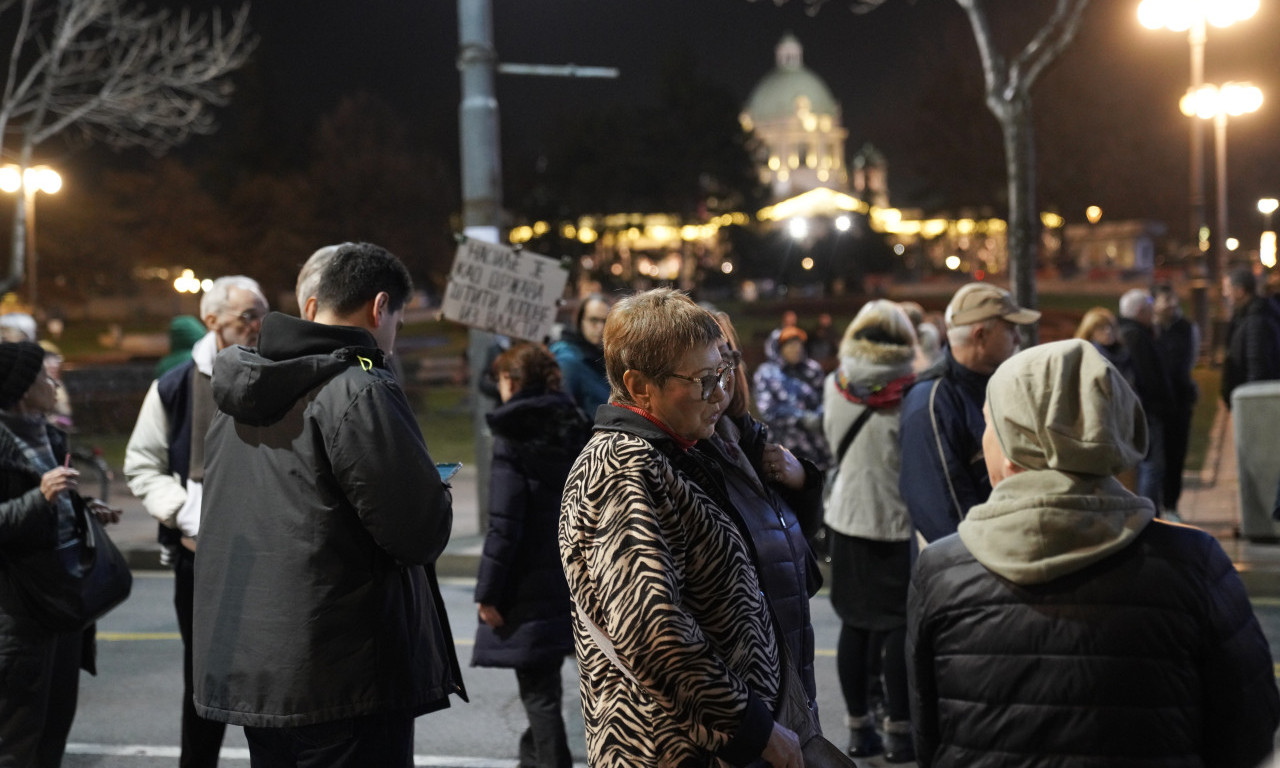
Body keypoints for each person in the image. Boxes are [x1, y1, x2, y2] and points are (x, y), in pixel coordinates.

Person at [907, 339, 1280, 767]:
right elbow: (1249, 727)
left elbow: (928, 736)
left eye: (990, 425)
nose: (983, 438)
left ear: (1016, 452)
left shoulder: (941, 571)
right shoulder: (1195, 564)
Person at [192, 243, 466, 766]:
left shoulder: (235, 392)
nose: (393, 339)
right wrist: (435, 492)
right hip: (345, 674)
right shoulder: (358, 389)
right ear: (379, 307)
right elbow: (417, 531)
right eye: (399, 324)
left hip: (260, 673)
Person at [559, 288, 803, 768]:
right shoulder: (623, 468)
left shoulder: (675, 451)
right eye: (701, 380)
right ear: (640, 385)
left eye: (722, 374)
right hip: (673, 750)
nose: (719, 393)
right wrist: (753, 727)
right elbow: (652, 628)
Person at [123, 275, 268, 768]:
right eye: (248, 316)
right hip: (201, 557)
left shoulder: (278, 370)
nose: (258, 325)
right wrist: (188, 514)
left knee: (270, 680)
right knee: (204, 680)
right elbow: (142, 462)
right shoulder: (177, 384)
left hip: (270, 554)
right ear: (212, 321)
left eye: (263, 313)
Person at [0, 340, 121, 767]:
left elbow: (53, 504)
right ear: (19, 389)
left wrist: (84, 510)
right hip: (20, 617)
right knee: (17, 744)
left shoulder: (48, 434)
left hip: (65, 608)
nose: (54, 381)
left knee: (54, 732)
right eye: (42, 375)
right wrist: (43, 497)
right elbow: (25, 509)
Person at [472, 342, 590, 768]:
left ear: (513, 382)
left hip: (527, 585)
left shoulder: (514, 434)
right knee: (558, 692)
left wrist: (488, 593)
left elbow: (506, 524)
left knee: (540, 695)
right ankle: (532, 759)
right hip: (576, 578)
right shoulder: (577, 423)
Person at [702, 310, 824, 711]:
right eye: (708, 364)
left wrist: (803, 480)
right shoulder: (695, 453)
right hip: (745, 694)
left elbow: (796, 555)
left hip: (791, 664)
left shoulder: (746, 441)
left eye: (729, 359)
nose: (722, 376)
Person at [822, 301, 918, 762]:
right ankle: (900, 732)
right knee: (898, 627)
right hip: (896, 522)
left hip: (847, 518)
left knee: (854, 626)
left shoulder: (835, 385)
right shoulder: (911, 391)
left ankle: (859, 729)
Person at [899, 283, 1039, 543]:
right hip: (973, 568)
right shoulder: (930, 401)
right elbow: (946, 518)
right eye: (1010, 329)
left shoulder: (996, 383)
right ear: (980, 335)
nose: (1019, 339)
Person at [1116, 288, 1175, 515]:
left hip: (1142, 410)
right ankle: (1148, 515)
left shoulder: (1134, 332)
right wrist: (1159, 405)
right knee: (1151, 465)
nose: (1153, 314)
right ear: (1141, 311)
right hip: (1146, 412)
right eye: (1150, 310)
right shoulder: (1136, 336)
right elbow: (1149, 376)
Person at [753, 326, 832, 470]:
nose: (797, 348)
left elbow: (826, 398)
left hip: (817, 449)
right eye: (790, 344)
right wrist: (801, 417)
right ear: (778, 348)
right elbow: (767, 410)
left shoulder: (812, 370)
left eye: (799, 343)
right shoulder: (766, 373)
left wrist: (819, 416)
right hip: (784, 450)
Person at [1153, 284, 1199, 518]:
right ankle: (1154, 505)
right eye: (1165, 300)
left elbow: (1189, 359)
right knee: (1154, 459)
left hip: (1180, 401)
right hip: (1157, 403)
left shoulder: (1186, 328)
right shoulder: (1151, 329)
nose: (1171, 305)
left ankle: (1171, 505)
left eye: (1173, 300)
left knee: (1176, 455)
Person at [1222, 265, 1280, 407]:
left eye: (1227, 289)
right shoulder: (1244, 317)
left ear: (1240, 291)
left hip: (1253, 407)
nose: (1225, 294)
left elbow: (1257, 369)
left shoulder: (1256, 321)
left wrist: (1250, 407)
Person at [549, 294, 611, 417]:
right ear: (580, 321)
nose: (600, 327)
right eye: (593, 320)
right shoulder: (568, 360)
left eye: (605, 321)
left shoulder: (604, 357)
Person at [1073, 306, 1136, 388]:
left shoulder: (1125, 354)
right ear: (1090, 332)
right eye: (1101, 328)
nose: (1108, 331)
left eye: (1110, 326)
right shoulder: (1086, 356)